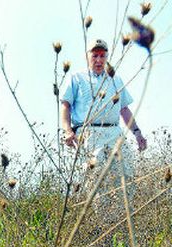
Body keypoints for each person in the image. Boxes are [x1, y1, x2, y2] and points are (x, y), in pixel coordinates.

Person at [60, 39, 147, 206]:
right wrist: (67, 130)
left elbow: (124, 110)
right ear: (87, 57)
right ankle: (101, 222)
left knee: (126, 174)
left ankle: (121, 217)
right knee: (96, 178)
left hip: (115, 132)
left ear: (107, 57)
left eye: (102, 56)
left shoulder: (115, 79)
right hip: (89, 133)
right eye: (95, 56)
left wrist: (137, 133)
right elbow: (65, 105)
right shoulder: (76, 78)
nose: (98, 60)